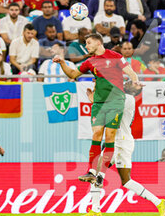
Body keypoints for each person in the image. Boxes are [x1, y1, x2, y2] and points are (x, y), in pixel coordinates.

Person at [53, 33, 141, 187]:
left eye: (88, 43)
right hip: (99, 103)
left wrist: (135, 80)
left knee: (109, 137)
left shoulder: (115, 56)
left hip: (115, 101)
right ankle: (92, 172)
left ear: (98, 42)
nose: (86, 46)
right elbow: (73, 74)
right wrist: (62, 63)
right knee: (96, 134)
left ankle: (100, 174)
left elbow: (130, 72)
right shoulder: (90, 62)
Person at [80, 80, 165, 216]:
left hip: (121, 142)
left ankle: (96, 207)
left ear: (134, 91)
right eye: (128, 81)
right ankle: (158, 202)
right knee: (113, 178)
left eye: (133, 83)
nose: (127, 82)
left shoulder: (128, 99)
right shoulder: (121, 97)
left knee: (104, 175)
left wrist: (96, 97)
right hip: (118, 142)